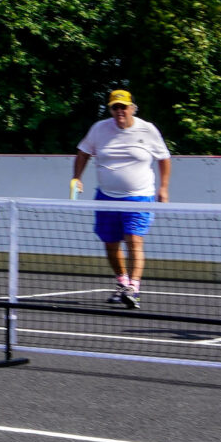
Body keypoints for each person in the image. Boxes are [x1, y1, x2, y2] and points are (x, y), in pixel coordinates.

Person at [71, 89, 171, 309]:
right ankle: (122, 282)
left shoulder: (147, 130)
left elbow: (163, 158)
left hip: (139, 197)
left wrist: (163, 187)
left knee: (134, 240)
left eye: (123, 107)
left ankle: (133, 287)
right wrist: (77, 178)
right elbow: (83, 152)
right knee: (110, 243)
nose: (119, 111)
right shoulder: (99, 129)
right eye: (115, 107)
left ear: (132, 108)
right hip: (106, 197)